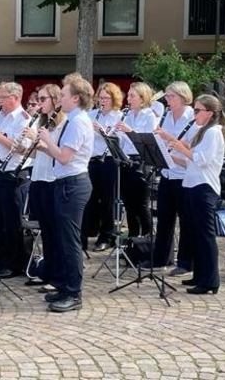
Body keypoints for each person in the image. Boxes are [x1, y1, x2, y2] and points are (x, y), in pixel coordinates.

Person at [37, 76, 94, 312]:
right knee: (62, 238)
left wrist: (47, 139)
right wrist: (43, 147)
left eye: (63, 95)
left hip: (73, 184)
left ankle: (73, 293)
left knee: (70, 241)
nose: (59, 99)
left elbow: (64, 157)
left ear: (76, 98)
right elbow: (60, 155)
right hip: (65, 182)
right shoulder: (72, 120)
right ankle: (63, 286)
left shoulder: (79, 122)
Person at [160, 94, 225, 295]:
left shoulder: (214, 132)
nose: (194, 114)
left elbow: (202, 159)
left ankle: (211, 280)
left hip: (204, 187)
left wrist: (181, 147)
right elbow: (190, 162)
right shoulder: (201, 131)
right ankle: (199, 275)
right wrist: (169, 156)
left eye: (197, 110)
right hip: (191, 184)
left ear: (210, 113)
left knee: (205, 236)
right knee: (195, 234)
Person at [0, 82, 33, 278]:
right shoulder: (0, 116)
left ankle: (13, 264)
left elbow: (22, 148)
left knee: (11, 221)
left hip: (12, 174)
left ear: (14, 98)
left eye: (2, 98)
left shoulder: (23, 119)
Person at [20, 84, 65, 286]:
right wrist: (25, 147)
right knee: (45, 230)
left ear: (55, 100)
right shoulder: (42, 121)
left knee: (54, 231)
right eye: (38, 99)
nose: (39, 104)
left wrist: (41, 142)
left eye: (43, 99)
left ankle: (57, 274)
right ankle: (47, 270)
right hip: (38, 177)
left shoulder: (62, 123)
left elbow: (60, 154)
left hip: (52, 179)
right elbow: (37, 154)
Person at [149, 81, 195, 277]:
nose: (167, 100)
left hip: (183, 174)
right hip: (168, 172)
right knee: (164, 218)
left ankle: (186, 262)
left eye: (171, 96)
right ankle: (161, 258)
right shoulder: (167, 115)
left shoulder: (192, 116)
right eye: (166, 96)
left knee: (186, 220)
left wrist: (167, 137)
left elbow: (189, 145)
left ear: (183, 97)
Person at [83, 82, 124, 252]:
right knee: (90, 198)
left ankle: (106, 235)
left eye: (106, 98)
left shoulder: (119, 116)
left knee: (107, 200)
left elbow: (119, 140)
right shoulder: (91, 114)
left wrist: (103, 132)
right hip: (91, 160)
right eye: (100, 97)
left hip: (108, 161)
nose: (103, 101)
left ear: (114, 99)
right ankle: (88, 232)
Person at [116, 82, 158, 237]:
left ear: (142, 98)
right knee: (129, 204)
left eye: (132, 96)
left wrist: (130, 131)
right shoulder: (127, 115)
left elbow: (147, 140)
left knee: (141, 204)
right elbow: (122, 141)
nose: (128, 99)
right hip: (126, 161)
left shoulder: (149, 116)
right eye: (128, 95)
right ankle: (132, 239)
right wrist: (113, 134)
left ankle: (147, 238)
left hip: (142, 162)